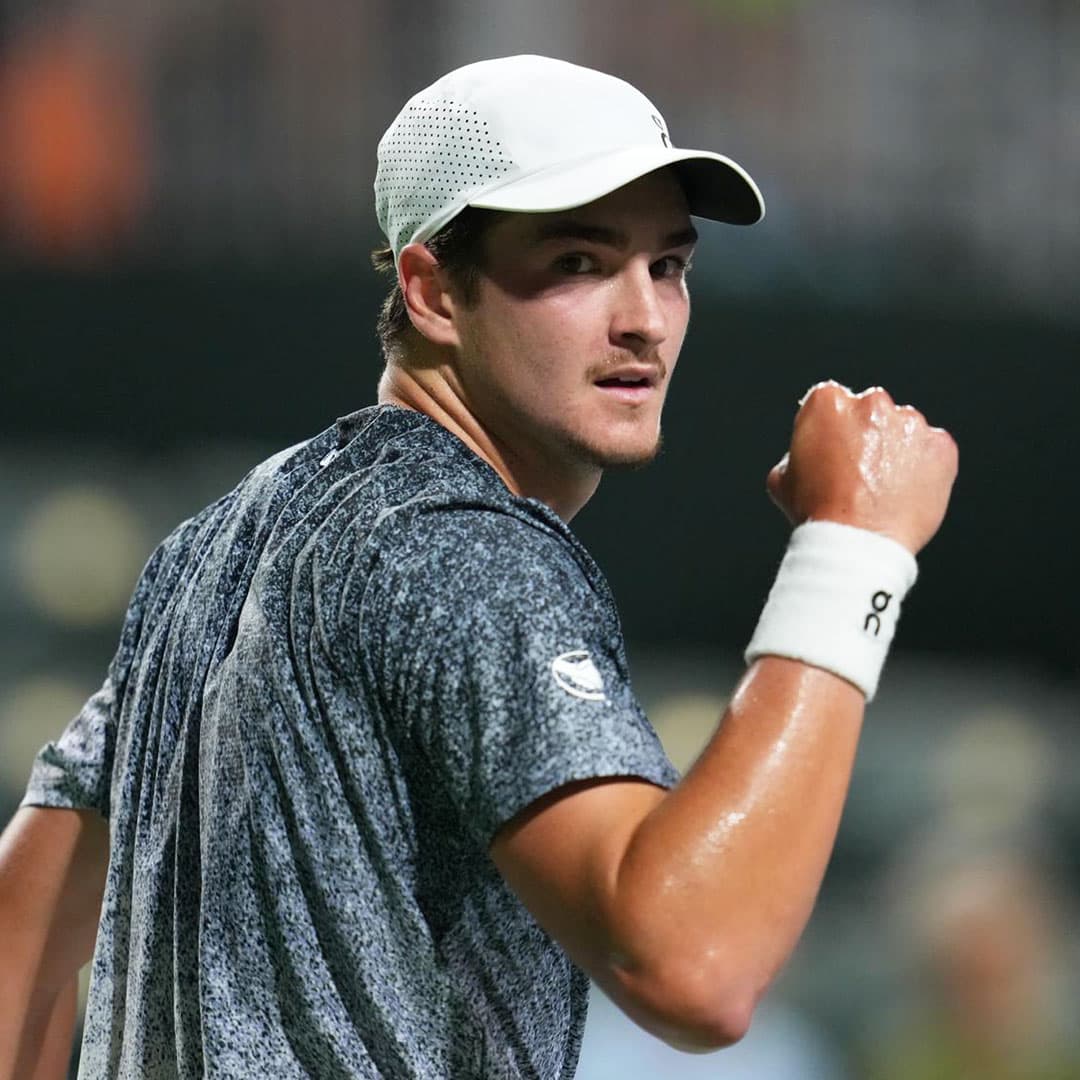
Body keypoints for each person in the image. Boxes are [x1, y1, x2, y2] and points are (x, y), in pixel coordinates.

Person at [0, 54, 958, 1079]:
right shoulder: (458, 544)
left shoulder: (213, 544)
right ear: (431, 291)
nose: (643, 317)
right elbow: (697, 965)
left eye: (667, 265)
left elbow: (20, 948)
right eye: (579, 263)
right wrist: (851, 547)